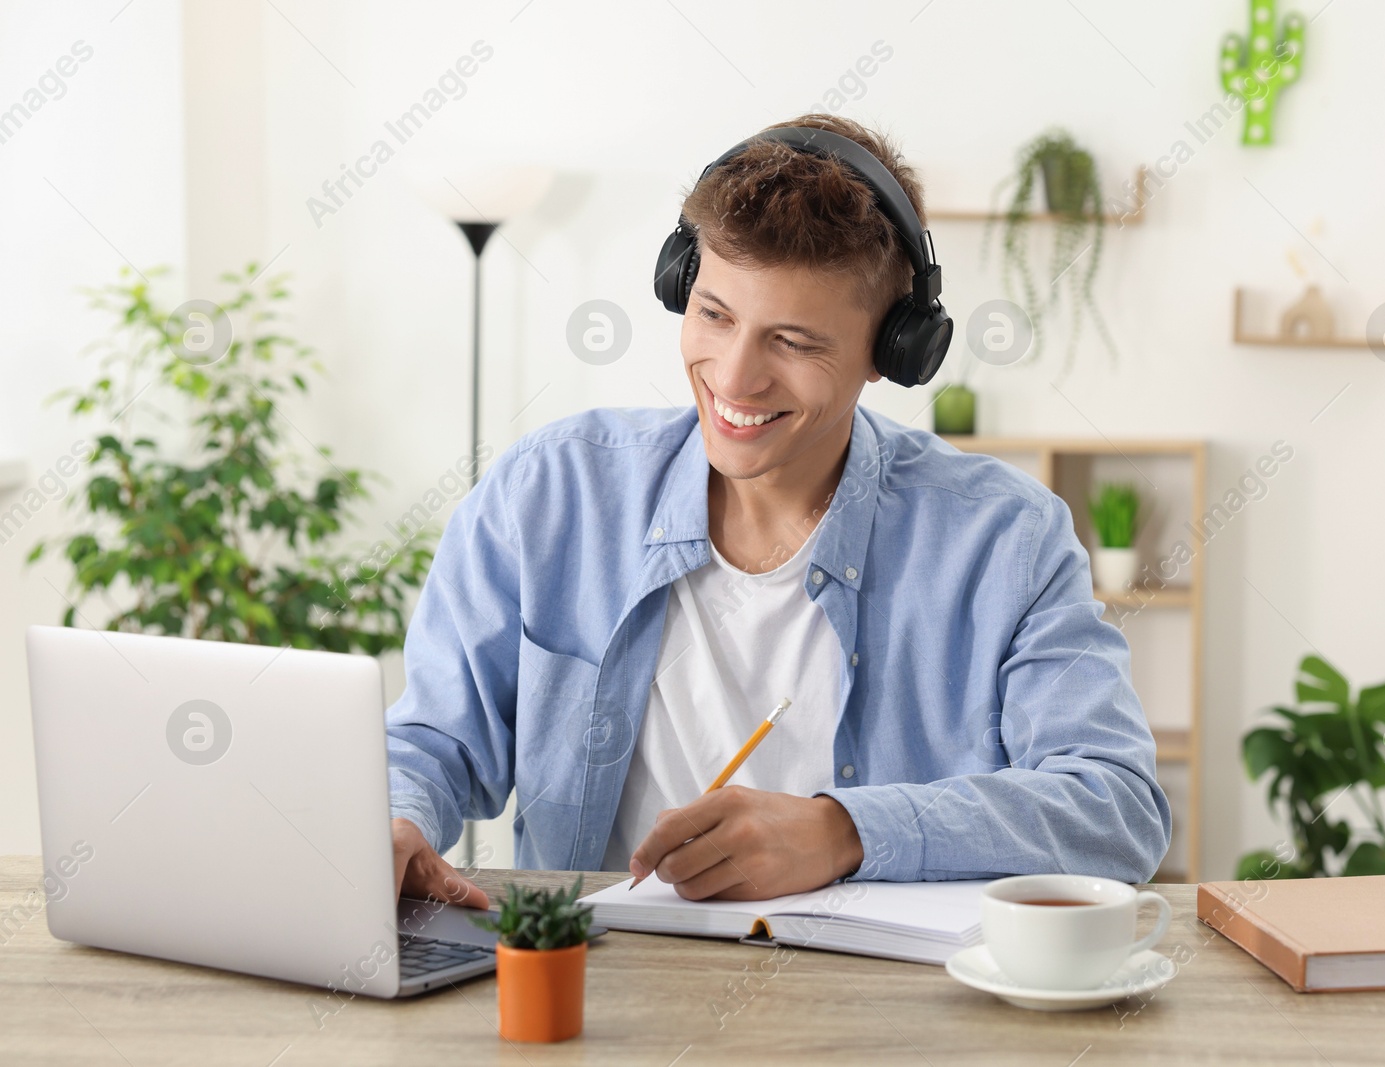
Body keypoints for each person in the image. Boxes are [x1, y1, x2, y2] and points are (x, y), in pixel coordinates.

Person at [387, 112, 1170, 908]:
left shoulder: (1005, 540)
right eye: (715, 315)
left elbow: (1116, 809)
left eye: (793, 342)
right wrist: (398, 816)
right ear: (680, 284)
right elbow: (432, 740)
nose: (734, 377)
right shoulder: (548, 494)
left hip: (885, 1013)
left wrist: (846, 832)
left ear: (892, 353)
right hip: (598, 994)